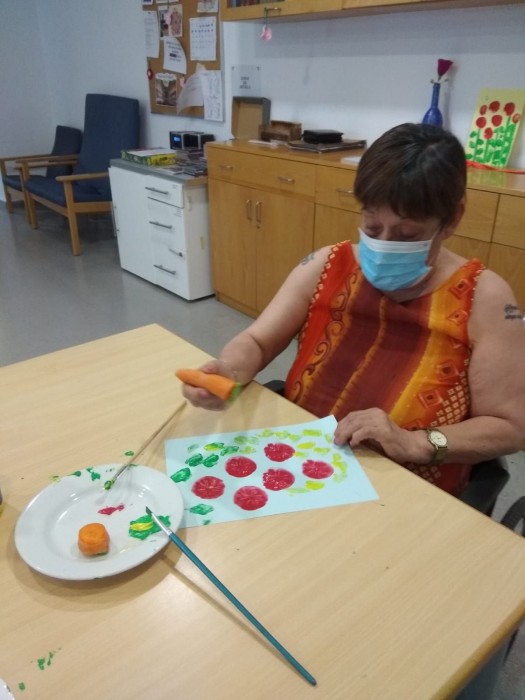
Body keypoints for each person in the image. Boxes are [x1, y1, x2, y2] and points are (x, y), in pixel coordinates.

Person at [181, 122, 525, 495]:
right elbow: (258, 341)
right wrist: (228, 372)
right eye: (372, 227)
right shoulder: (326, 264)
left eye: (408, 234)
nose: (385, 245)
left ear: (452, 219)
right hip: (301, 460)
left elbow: (511, 426)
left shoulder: (485, 299)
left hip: (407, 486)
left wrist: (415, 442)